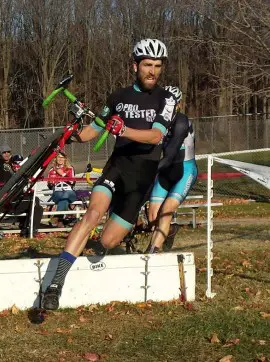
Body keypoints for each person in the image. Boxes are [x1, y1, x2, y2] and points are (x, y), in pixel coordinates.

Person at [41, 39, 178, 310]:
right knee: (92, 214)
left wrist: (122, 130)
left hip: (141, 179)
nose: (153, 71)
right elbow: (94, 130)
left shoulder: (167, 99)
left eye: (158, 66)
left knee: (107, 241)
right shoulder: (118, 97)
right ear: (135, 66)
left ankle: (129, 223)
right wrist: (73, 134)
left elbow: (155, 136)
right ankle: (56, 283)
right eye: (147, 65)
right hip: (117, 167)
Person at [147, 86, 197, 253]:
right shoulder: (157, 121)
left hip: (184, 170)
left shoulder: (182, 121)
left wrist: (149, 170)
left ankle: (151, 253)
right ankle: (171, 230)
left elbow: (170, 155)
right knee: (153, 216)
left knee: (166, 211)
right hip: (165, 172)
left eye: (172, 103)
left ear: (178, 105)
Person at [0, 149, 43, 237]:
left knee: (37, 205)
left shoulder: (23, 174)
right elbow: (4, 183)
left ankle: (27, 229)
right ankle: (29, 230)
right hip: (9, 202)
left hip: (19, 200)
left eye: (19, 164)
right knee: (35, 204)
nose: (17, 166)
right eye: (15, 163)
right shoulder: (7, 173)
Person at [47, 151, 77, 228]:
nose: (60, 159)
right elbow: (50, 186)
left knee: (66, 194)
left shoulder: (70, 168)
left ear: (65, 159)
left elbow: (73, 182)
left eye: (62, 157)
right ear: (55, 159)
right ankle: (60, 221)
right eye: (58, 157)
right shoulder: (52, 170)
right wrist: (51, 183)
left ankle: (57, 218)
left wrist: (63, 174)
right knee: (63, 198)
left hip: (69, 192)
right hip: (57, 192)